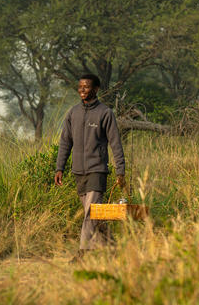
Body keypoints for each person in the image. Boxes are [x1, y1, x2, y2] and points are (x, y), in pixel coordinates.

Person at [54, 73, 125, 260]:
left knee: (90, 213)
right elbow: (65, 143)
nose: (82, 90)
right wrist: (59, 168)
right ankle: (113, 251)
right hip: (78, 171)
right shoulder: (73, 113)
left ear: (96, 89)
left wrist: (120, 170)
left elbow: (115, 143)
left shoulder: (105, 113)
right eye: (80, 87)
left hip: (97, 170)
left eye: (86, 87)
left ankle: (83, 254)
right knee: (96, 216)